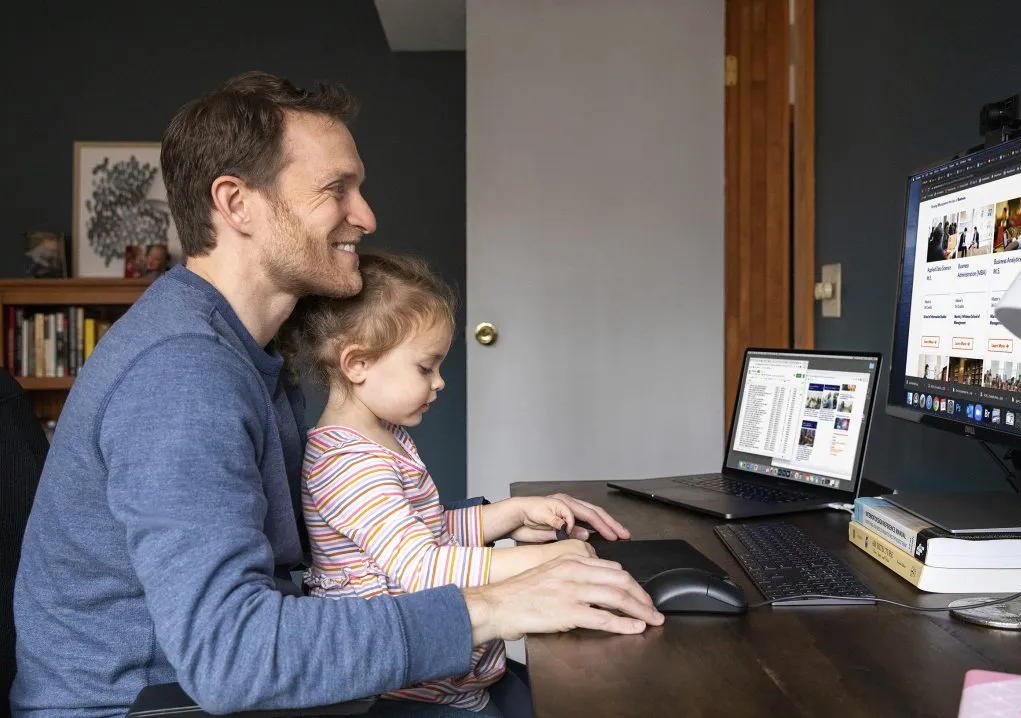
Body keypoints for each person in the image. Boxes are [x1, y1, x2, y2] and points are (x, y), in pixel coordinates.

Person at [11, 71, 663, 718]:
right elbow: (230, 657)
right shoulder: (182, 375)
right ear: (237, 204)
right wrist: (496, 603)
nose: (366, 215)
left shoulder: (247, 350)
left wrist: (488, 524)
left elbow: (341, 522)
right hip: (146, 707)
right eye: (336, 189)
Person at [283, 251, 595, 715]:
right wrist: (546, 561)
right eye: (426, 367)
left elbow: (424, 531)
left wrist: (508, 515)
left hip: (452, 676)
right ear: (357, 363)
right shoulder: (348, 463)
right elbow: (423, 568)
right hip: (412, 691)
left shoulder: (384, 437)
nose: (440, 382)